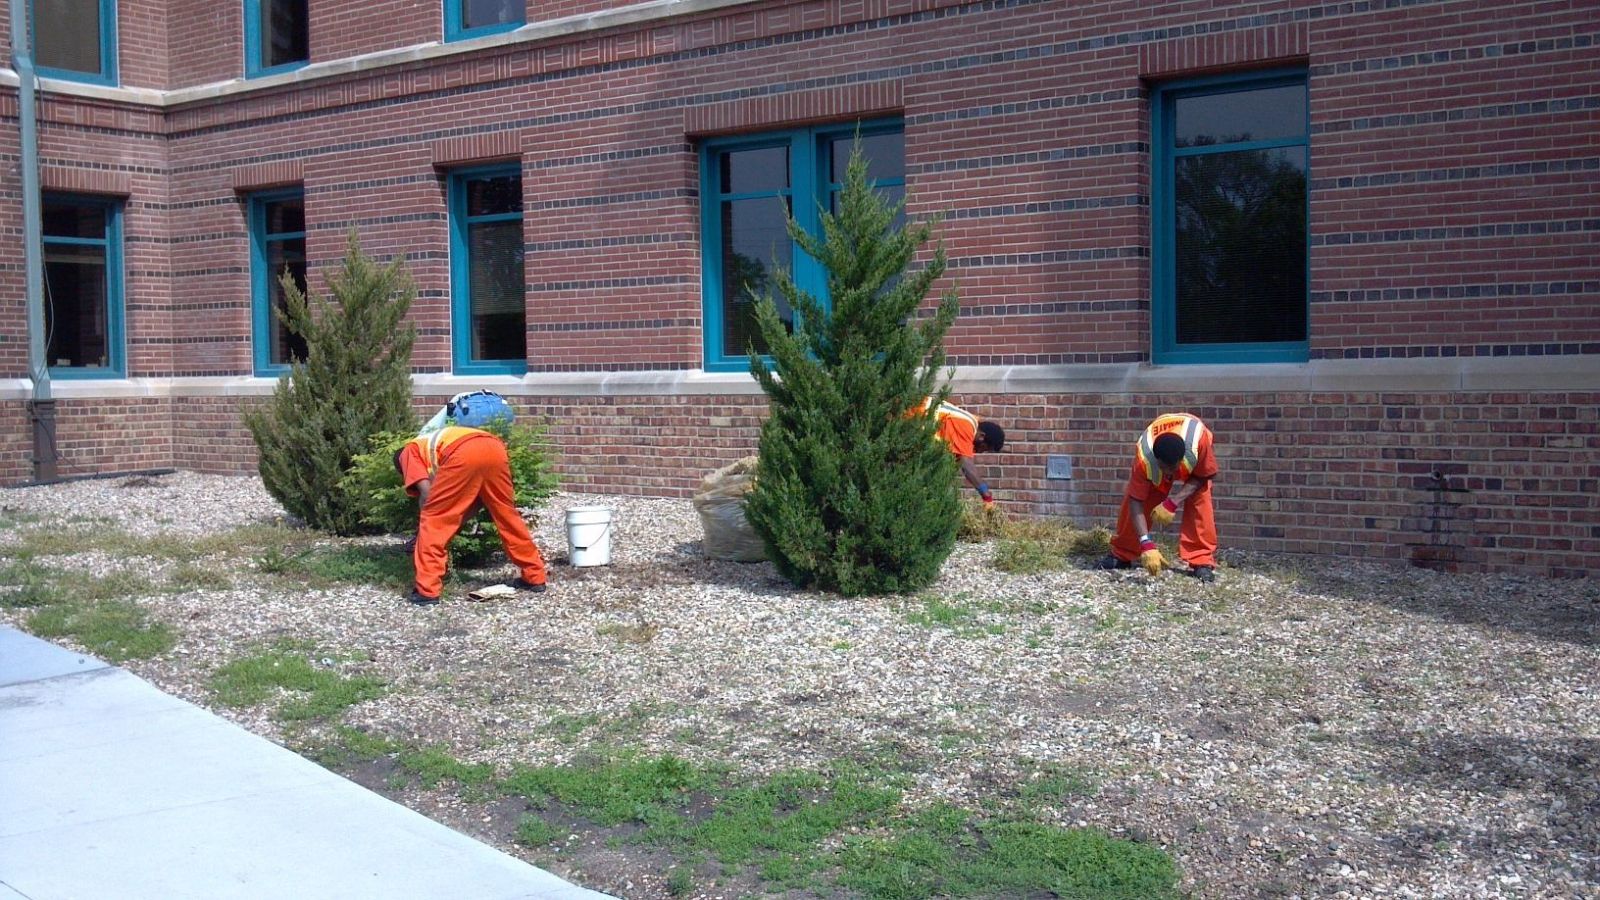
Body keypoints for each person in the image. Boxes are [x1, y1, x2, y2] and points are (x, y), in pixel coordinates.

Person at [394, 415, 548, 606]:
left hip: (463, 452)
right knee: (506, 514)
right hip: (494, 447)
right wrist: (452, 523)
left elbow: (427, 496)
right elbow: (474, 504)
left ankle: (427, 591)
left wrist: (422, 535)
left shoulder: (407, 452)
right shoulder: (434, 443)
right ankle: (535, 576)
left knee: (433, 519)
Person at [1100, 412, 1218, 582]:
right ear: (1156, 459)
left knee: (1200, 500)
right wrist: (1145, 542)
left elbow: (1205, 474)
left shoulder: (1199, 441)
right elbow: (1136, 500)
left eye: (1172, 468)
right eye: (1164, 467)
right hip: (1159, 452)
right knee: (1140, 499)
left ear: (1181, 459)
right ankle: (1123, 553)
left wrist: (1173, 502)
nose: (1169, 473)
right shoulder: (1144, 457)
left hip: (1193, 444)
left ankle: (1202, 561)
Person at [921, 396, 1006, 506]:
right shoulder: (966, 427)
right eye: (984, 448)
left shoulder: (972, 422)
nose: (979, 452)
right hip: (907, 414)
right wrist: (986, 495)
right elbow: (967, 466)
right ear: (982, 436)